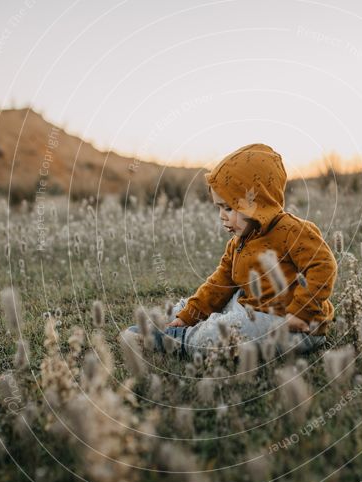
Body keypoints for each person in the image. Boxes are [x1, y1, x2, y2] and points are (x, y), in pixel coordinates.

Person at [127, 143, 338, 358]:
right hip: (251, 309)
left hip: (292, 326)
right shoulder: (239, 241)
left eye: (228, 208)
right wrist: (189, 315)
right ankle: (175, 321)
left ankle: (178, 339)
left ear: (258, 203)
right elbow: (220, 282)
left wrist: (301, 311)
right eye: (218, 207)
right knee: (212, 301)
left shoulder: (292, 231)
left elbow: (323, 265)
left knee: (229, 335)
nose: (221, 215)